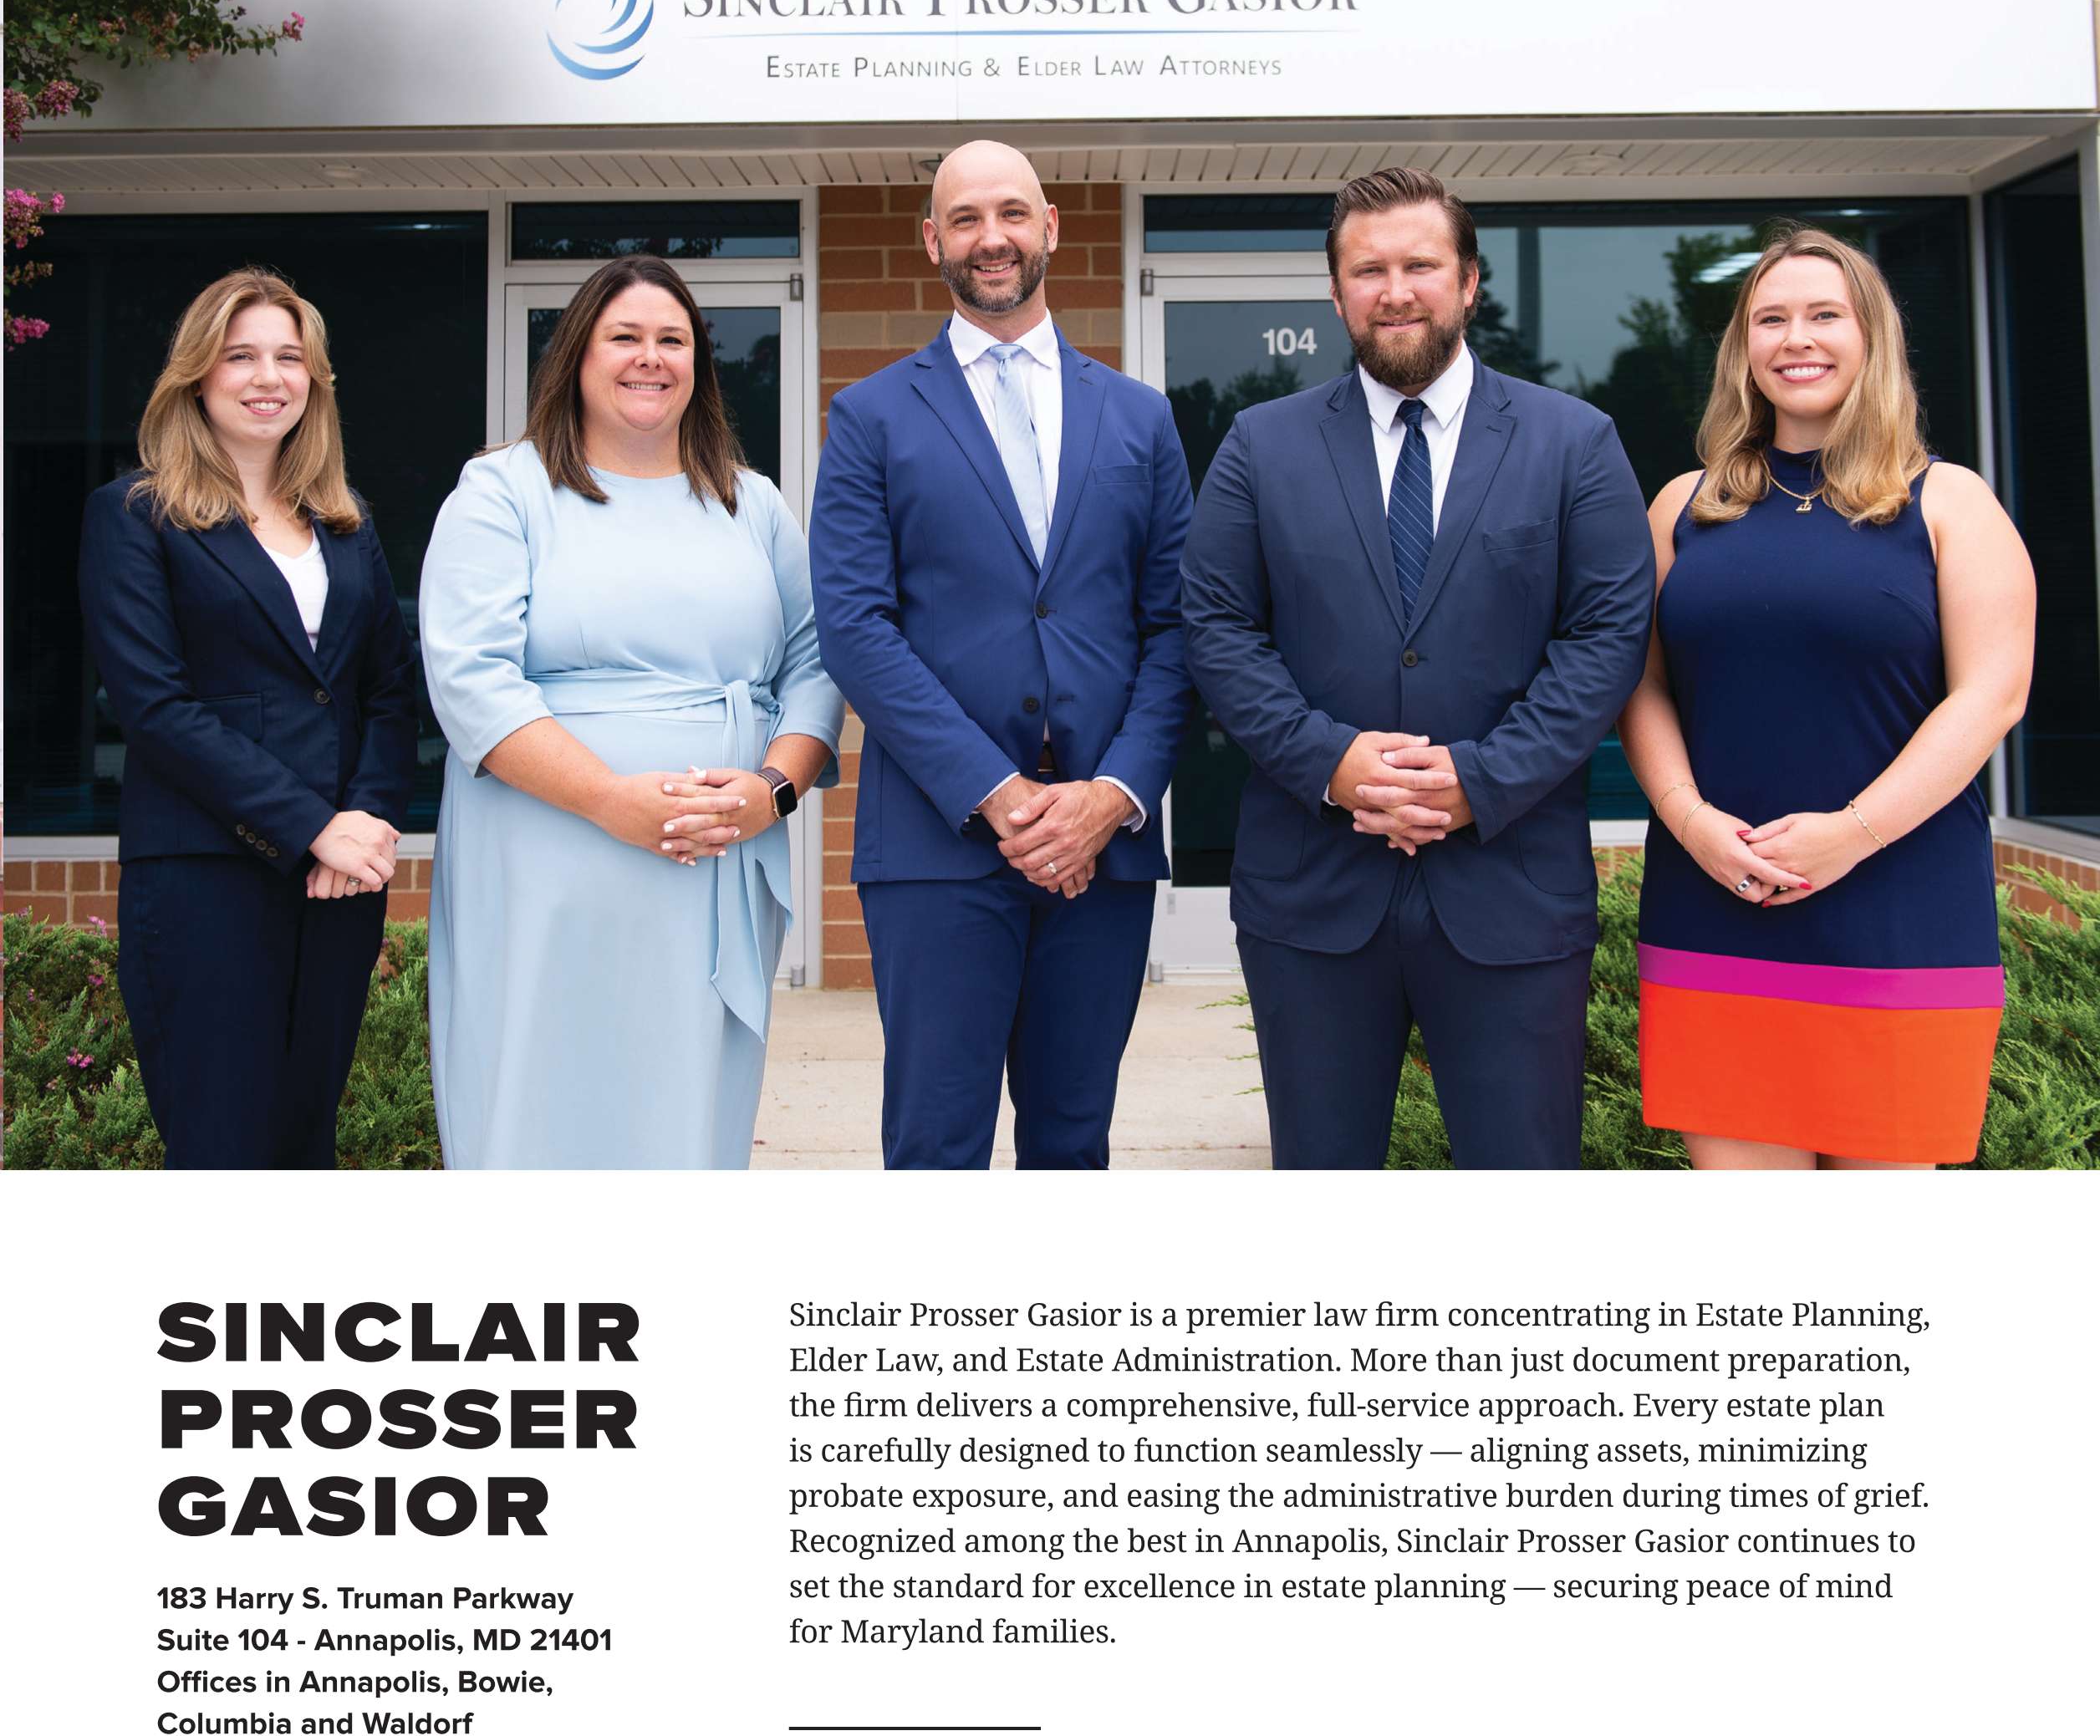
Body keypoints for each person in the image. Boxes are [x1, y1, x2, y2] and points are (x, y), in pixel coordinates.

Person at [1180, 166, 1654, 1170]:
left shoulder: (1574, 443)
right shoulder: (1260, 446)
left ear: (1469, 281)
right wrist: (1331, 762)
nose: (1395, 291)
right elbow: (1217, 628)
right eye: (1368, 270)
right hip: (1313, 893)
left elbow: (1606, 636)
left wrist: (1481, 779)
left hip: (1510, 888)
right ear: (1336, 292)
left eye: (1420, 266)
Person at [808, 140, 1194, 1168]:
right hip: (937, 847)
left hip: (1103, 850)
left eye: (1013, 213)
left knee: (1073, 1144)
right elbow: (854, 626)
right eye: (966, 218)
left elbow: (1176, 628)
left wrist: (1112, 794)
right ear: (930, 239)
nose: (992, 237)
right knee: (936, 1149)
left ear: (1050, 227)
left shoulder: (1140, 417)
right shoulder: (869, 416)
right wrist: (998, 793)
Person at [1619, 227, 2034, 1169]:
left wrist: (1851, 833)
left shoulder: (1950, 501)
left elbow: (1992, 696)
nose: (1795, 338)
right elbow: (1638, 685)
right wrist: (1689, 822)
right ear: (1743, 348)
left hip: (1901, 911)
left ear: (1870, 338)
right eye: (1770, 319)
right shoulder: (1684, 506)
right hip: (1716, 897)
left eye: (1823, 315)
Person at [418, 253, 841, 1169]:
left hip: (713, 863)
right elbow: (471, 678)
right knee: (537, 1092)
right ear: (577, 355)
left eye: (672, 340)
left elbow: (816, 662)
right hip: (545, 855)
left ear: (698, 364)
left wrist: (772, 790)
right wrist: (610, 800)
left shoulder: (752, 503)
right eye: (625, 337)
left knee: (683, 1111)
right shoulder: (503, 491)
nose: (650, 358)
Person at [78, 267, 417, 1169]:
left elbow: (388, 688)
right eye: (241, 357)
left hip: (340, 886)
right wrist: (312, 826)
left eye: (289, 358)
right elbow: (155, 708)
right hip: (205, 877)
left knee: (306, 1143)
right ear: (197, 376)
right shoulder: (135, 516)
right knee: (221, 1147)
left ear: (315, 380)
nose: (269, 377)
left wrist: (366, 820)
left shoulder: (346, 523)